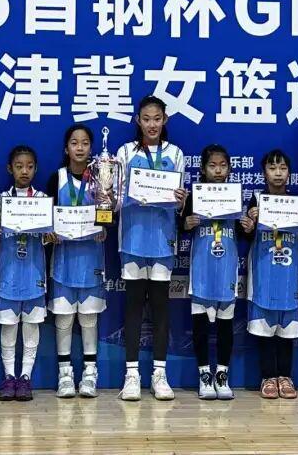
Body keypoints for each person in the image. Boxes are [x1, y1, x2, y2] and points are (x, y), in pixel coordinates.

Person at [115, 95, 188, 401]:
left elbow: (181, 202)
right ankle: (131, 374)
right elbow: (114, 198)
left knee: (160, 308)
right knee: (133, 306)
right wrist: (124, 195)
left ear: (165, 120)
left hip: (162, 240)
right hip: (132, 238)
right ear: (138, 121)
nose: (152, 124)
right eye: (146, 119)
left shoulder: (175, 153)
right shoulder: (125, 152)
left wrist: (182, 201)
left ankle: (160, 373)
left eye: (157, 118)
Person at [44, 124, 108, 399]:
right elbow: (45, 217)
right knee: (64, 320)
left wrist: (104, 226)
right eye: (74, 143)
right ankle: (65, 375)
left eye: (84, 143)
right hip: (63, 261)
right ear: (66, 148)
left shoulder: (101, 178)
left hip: (91, 258)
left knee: (89, 319)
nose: (79, 148)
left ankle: (90, 374)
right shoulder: (56, 178)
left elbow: (107, 214)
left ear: (91, 148)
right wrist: (49, 232)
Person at [242, 150, 298, 399]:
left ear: (289, 173)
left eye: (282, 168)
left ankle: (285, 375)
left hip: (288, 273)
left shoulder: (297, 204)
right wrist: (249, 224)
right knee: (264, 329)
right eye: (272, 169)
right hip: (263, 273)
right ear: (264, 173)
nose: (278, 173)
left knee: (287, 330)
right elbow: (246, 235)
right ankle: (268, 376)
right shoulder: (256, 201)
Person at [0, 146, 49, 402]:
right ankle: (9, 376)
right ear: (10, 169)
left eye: (29, 166)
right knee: (8, 327)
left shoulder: (43, 199)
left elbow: (48, 238)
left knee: (31, 326)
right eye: (19, 166)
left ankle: (25, 377)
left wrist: (50, 234)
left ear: (36, 169)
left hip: (34, 272)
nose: (24, 171)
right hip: (9, 273)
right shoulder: (1, 199)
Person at [182, 145, 240, 400]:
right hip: (202, 270)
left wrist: (247, 225)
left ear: (229, 169)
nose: (218, 171)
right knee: (201, 326)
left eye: (223, 165)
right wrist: (186, 223)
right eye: (212, 166)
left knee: (226, 326)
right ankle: (204, 375)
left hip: (226, 269)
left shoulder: (236, 196)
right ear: (203, 169)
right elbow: (181, 227)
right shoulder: (195, 196)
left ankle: (223, 375)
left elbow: (245, 233)